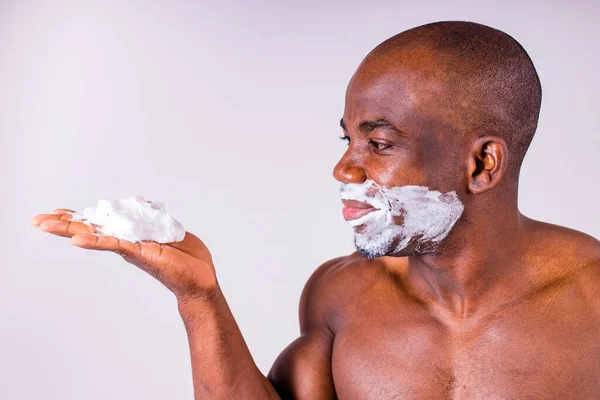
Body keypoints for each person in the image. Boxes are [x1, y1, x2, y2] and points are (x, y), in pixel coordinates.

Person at [31, 20, 600, 399]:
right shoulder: (340, 296)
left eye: (378, 144)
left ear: (482, 165)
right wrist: (199, 298)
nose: (345, 171)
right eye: (347, 140)